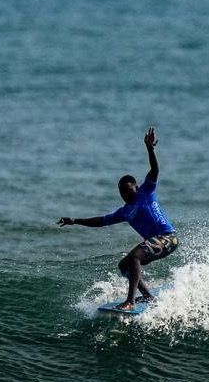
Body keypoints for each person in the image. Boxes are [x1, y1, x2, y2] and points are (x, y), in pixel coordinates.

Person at [58, 127, 178, 311]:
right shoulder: (124, 212)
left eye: (128, 191)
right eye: (122, 193)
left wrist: (149, 148)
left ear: (136, 187)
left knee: (134, 257)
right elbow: (100, 221)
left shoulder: (146, 192)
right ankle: (147, 296)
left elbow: (154, 170)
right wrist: (75, 220)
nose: (125, 195)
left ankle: (130, 301)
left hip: (168, 237)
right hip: (156, 242)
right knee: (124, 265)